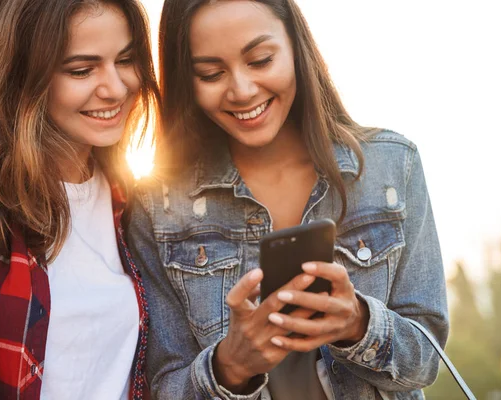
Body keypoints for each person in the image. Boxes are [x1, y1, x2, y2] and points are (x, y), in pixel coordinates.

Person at [128, 0, 449, 399]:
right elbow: (161, 386)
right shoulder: (157, 208)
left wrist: (358, 324)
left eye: (261, 60)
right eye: (211, 74)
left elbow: (427, 358)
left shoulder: (391, 167)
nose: (242, 91)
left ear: (296, 47)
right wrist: (230, 366)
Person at [0, 0, 160, 398]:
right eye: (81, 69)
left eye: (126, 60)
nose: (116, 88)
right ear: (20, 76)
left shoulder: (130, 201)